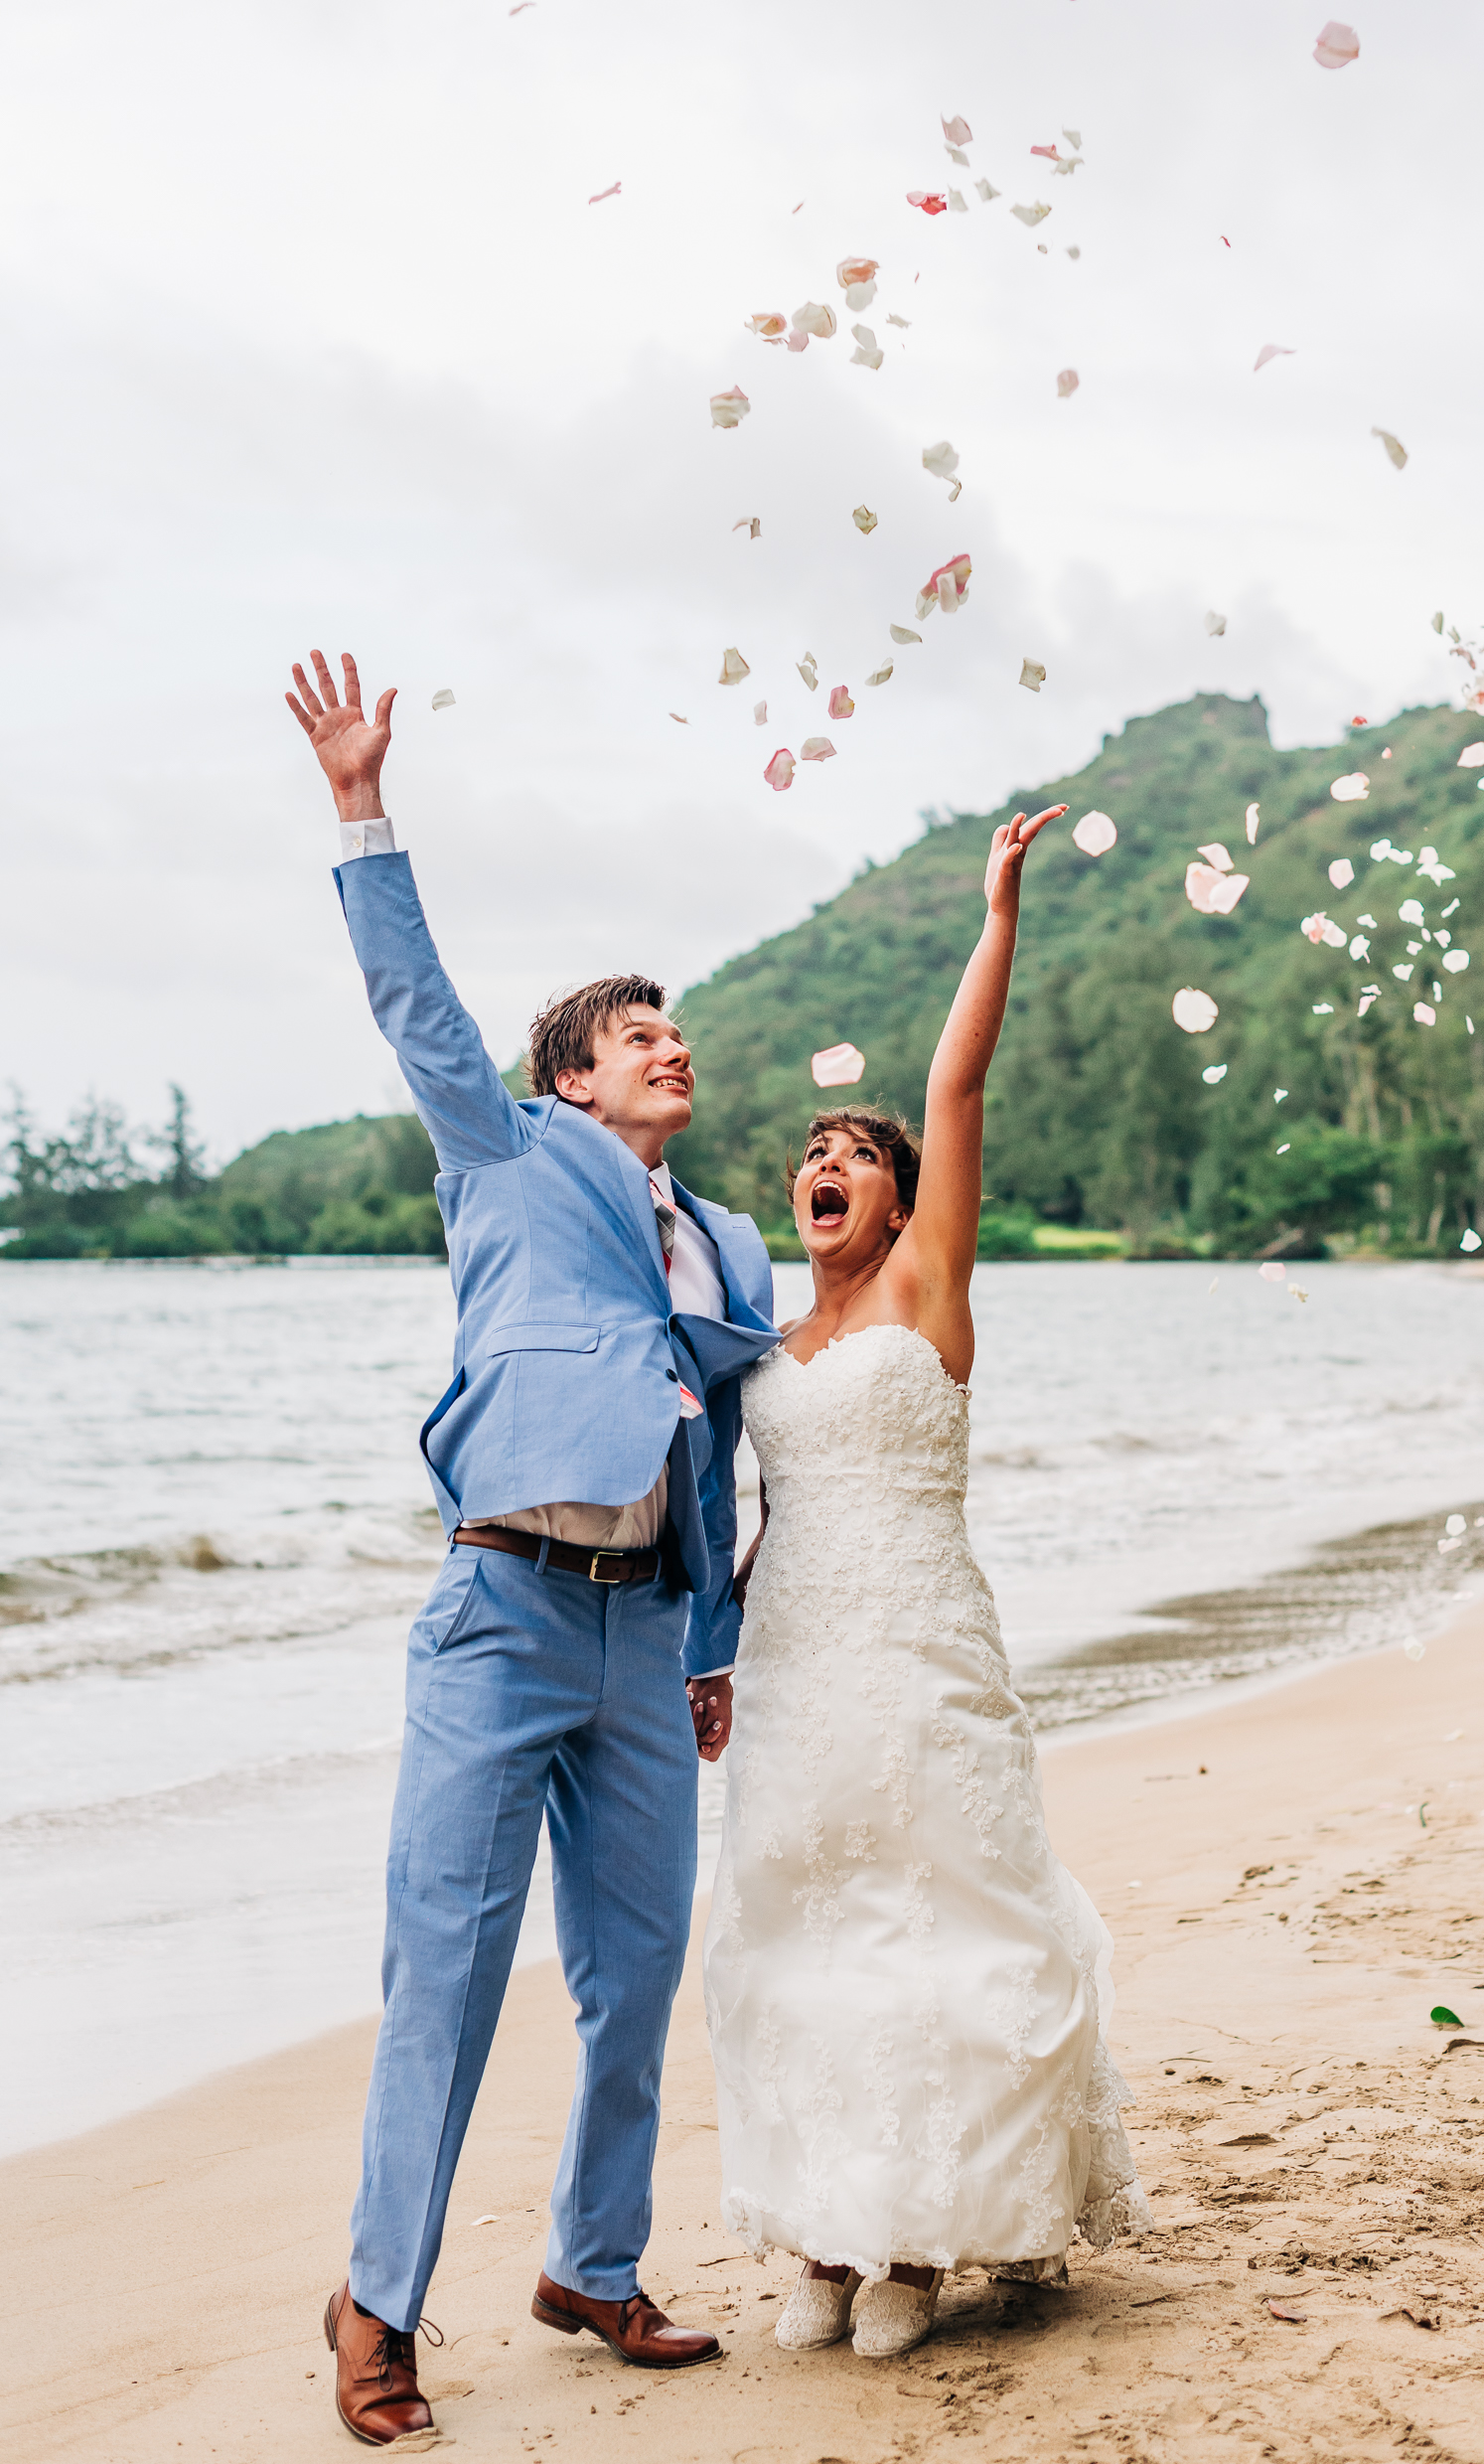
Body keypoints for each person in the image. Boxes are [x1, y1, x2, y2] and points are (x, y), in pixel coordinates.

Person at [284, 651, 780, 2444]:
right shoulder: (505, 1159)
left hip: (643, 1636)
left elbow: (720, 1444)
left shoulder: (727, 1242)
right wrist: (361, 806)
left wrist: (712, 1638)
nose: (671, 1044)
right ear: (569, 1086)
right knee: (453, 1967)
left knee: (639, 1968)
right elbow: (418, 1008)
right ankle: (379, 2303)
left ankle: (593, 2261)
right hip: (497, 1612)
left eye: (675, 1028)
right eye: (635, 1034)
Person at [701, 802, 1151, 2363]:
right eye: (813, 1153)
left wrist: (998, 913)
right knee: (798, 1926)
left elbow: (957, 1082)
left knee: (937, 1917)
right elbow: (763, 1506)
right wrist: (712, 1643)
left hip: (920, 1647)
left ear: (899, 1200)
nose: (829, 1164)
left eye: (855, 1156)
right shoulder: (765, 1336)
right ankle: (826, 2241)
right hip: (793, 1658)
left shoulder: (923, 1288)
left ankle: (924, 2244)